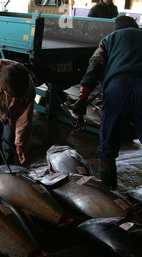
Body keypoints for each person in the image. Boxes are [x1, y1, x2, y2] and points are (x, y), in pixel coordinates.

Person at [69, 15, 142, 190]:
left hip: (118, 88)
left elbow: (95, 66)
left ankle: (110, 191)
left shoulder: (110, 39)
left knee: (108, 141)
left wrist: (83, 97)